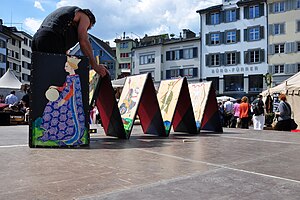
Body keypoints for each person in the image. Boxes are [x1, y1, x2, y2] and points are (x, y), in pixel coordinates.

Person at [32, 6, 108, 77]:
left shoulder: (68, 15)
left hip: (37, 39)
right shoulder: (85, 16)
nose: (87, 30)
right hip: (52, 38)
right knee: (58, 77)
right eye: (88, 28)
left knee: (42, 76)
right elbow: (83, 41)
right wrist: (95, 66)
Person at [37, 56, 88, 146]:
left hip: (70, 102)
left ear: (72, 67)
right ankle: (51, 132)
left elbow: (72, 91)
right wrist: (55, 87)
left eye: (66, 66)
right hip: (65, 97)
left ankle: (68, 136)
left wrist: (64, 100)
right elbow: (65, 87)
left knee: (56, 110)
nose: (65, 68)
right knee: (50, 106)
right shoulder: (69, 77)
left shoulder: (75, 78)